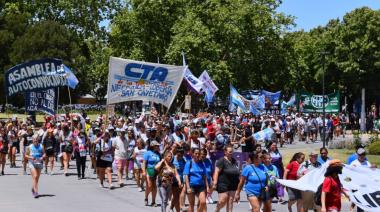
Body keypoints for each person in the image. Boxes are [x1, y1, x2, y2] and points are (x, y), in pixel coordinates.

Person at [213, 145, 240, 212]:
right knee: (223, 200)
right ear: (225, 152)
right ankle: (217, 210)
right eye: (230, 152)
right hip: (223, 183)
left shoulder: (234, 161)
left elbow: (237, 171)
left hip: (233, 184)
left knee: (230, 202)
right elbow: (216, 172)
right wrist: (215, 183)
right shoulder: (222, 160)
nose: (231, 153)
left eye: (232, 152)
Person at [184, 148, 209, 212]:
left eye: (199, 154)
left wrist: (207, 186)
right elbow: (186, 176)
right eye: (196, 153)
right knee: (191, 205)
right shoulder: (189, 163)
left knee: (203, 202)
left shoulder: (202, 163)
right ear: (192, 154)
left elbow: (204, 176)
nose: (197, 155)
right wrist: (188, 187)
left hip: (200, 186)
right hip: (191, 185)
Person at [25, 134, 46, 198]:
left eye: (36, 139)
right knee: (35, 176)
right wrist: (31, 157)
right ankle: (36, 192)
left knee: (37, 179)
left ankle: (33, 188)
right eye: (34, 139)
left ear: (38, 139)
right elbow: (26, 155)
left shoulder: (41, 146)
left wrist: (42, 157)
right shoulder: (29, 147)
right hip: (32, 163)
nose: (35, 140)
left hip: (39, 163)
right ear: (32, 140)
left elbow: (44, 153)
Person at [142, 140, 161, 207]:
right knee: (149, 186)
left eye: (158, 146)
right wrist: (144, 171)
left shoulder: (158, 154)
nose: (158, 147)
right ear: (153, 146)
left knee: (154, 186)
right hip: (149, 170)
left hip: (156, 172)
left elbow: (160, 162)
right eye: (157, 146)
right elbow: (144, 163)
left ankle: (153, 201)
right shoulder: (148, 153)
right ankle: (146, 198)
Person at [171, 147, 187, 212]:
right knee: (175, 196)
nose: (180, 156)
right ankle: (171, 207)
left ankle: (181, 206)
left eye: (181, 155)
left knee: (182, 192)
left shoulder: (184, 159)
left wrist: (183, 181)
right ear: (176, 153)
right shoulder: (172, 159)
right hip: (174, 179)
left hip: (182, 178)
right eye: (179, 155)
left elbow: (185, 170)